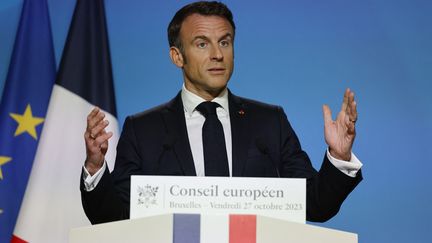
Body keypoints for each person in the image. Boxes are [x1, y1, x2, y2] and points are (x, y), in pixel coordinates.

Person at [81, 1, 362, 225]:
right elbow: (114, 218)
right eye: (202, 43)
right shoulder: (144, 130)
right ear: (177, 56)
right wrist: (95, 167)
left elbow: (314, 204)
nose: (217, 54)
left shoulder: (269, 123)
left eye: (225, 42)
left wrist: (338, 157)